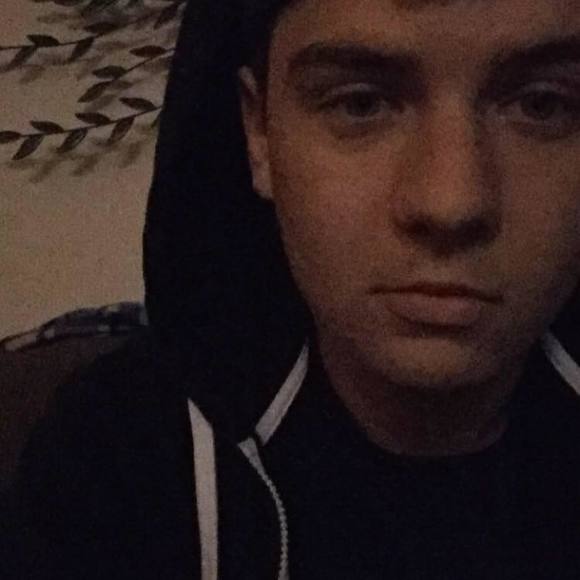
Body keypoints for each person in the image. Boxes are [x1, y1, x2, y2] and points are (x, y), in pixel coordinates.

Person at [7, 0, 580, 578]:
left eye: (543, 104)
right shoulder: (114, 462)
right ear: (259, 131)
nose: (451, 202)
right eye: (361, 103)